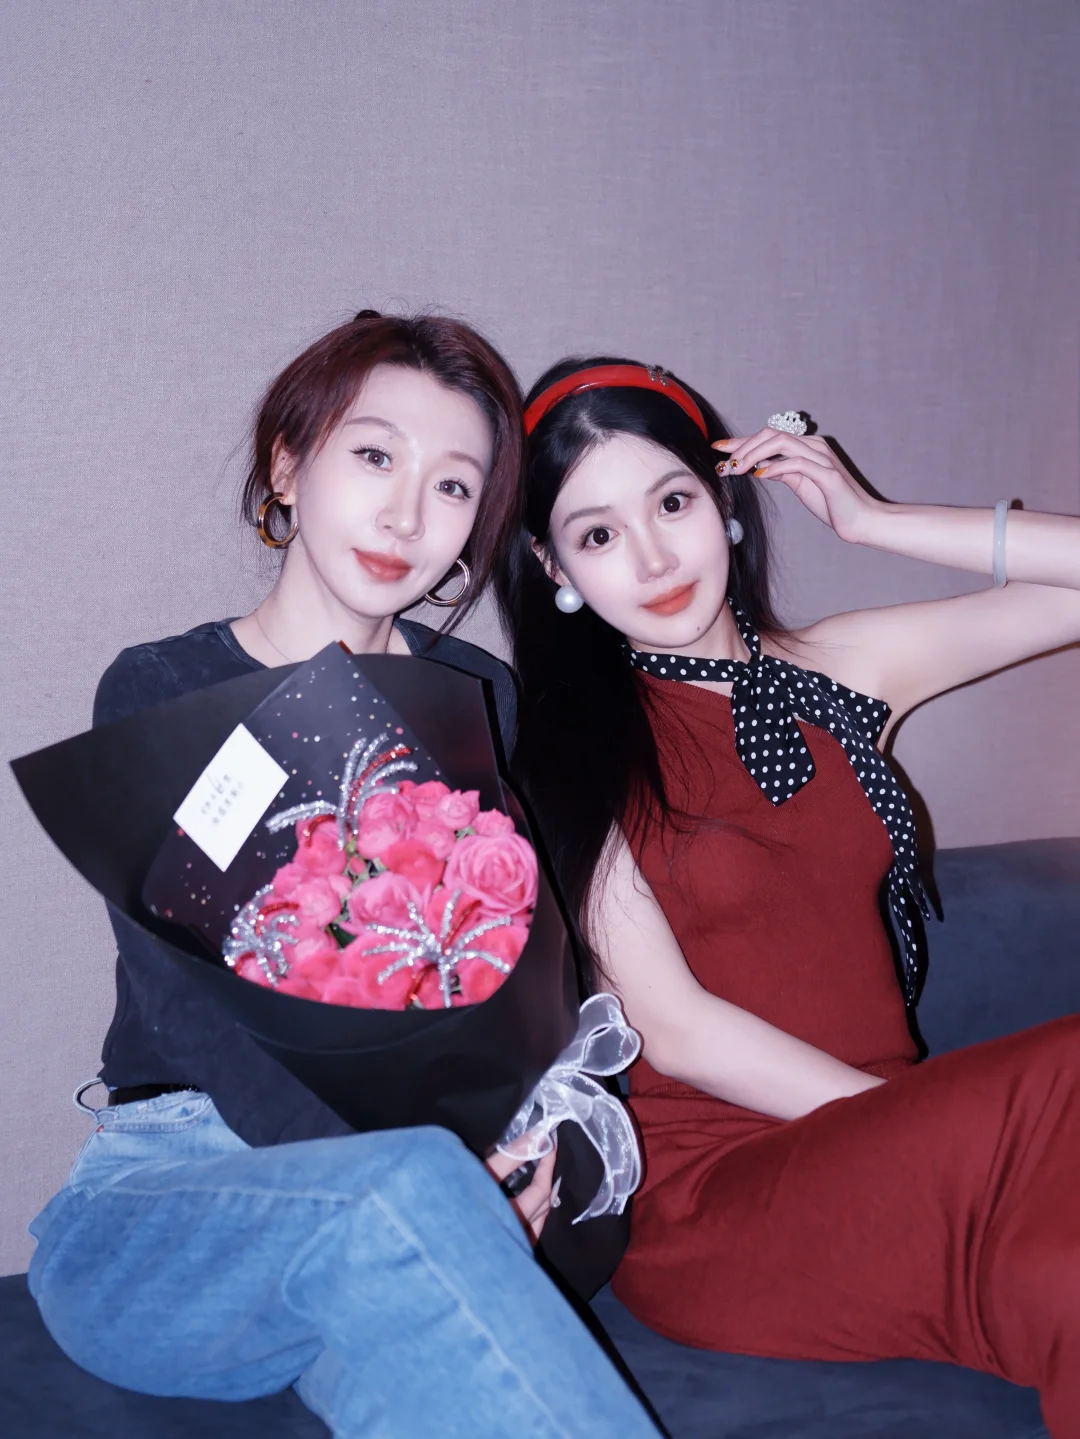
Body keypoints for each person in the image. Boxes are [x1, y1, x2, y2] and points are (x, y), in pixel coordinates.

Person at [27, 318, 659, 1439]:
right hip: (173, 1190)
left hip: (409, 1201)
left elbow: (517, 952)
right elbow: (181, 997)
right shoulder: (165, 683)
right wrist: (433, 1180)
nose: (409, 516)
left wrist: (522, 1150)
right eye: (374, 455)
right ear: (287, 463)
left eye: (453, 485)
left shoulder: (478, 692)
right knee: (400, 1191)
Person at [496, 356, 1080, 1437]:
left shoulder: (839, 672)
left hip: (901, 1155)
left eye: (672, 503)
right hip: (723, 1195)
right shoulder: (566, 760)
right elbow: (680, 1030)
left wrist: (874, 520)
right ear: (553, 564)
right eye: (598, 533)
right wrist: (931, 1124)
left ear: (724, 499)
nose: (654, 556)